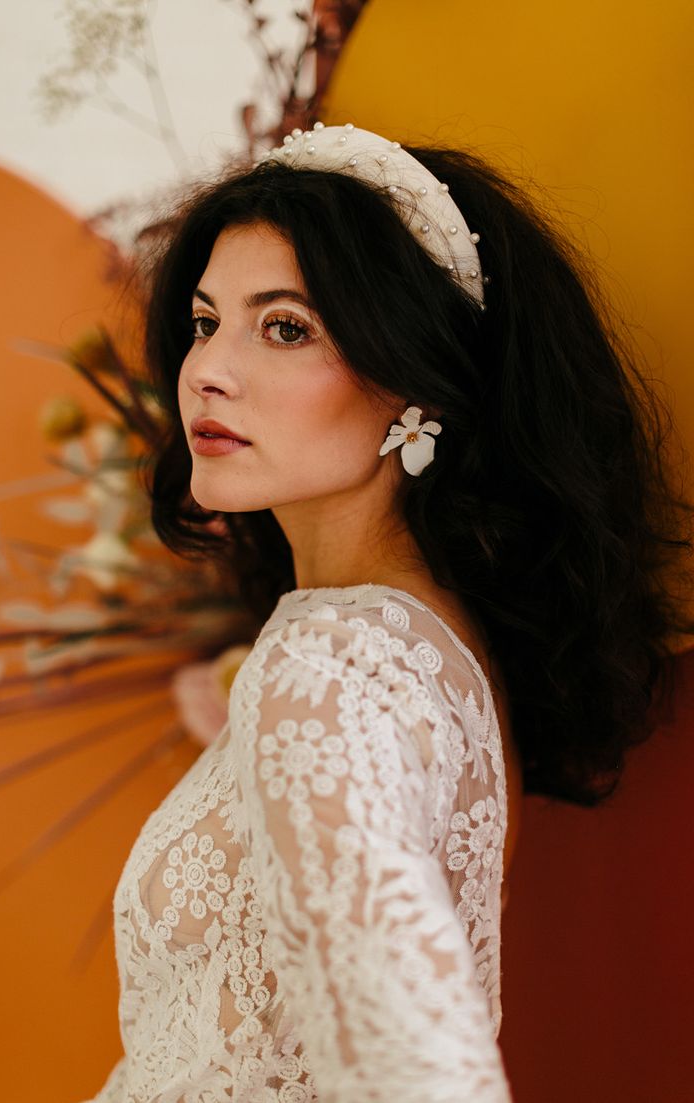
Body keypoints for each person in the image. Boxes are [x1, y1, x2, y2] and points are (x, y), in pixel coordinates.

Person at [82, 125, 693, 1102]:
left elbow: (423, 1070)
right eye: (206, 320)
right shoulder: (419, 644)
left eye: (285, 326)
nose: (208, 368)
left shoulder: (329, 661)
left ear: (414, 381)